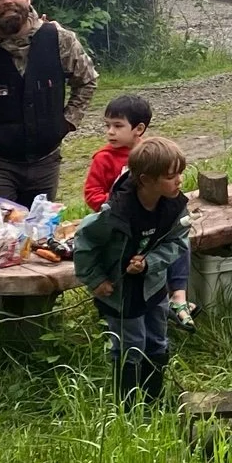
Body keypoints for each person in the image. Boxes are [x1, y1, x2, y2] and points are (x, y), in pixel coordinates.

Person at [0, 0, 98, 208]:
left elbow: (87, 80)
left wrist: (66, 122)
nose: (7, 1)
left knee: (38, 228)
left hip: (46, 162)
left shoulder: (59, 38)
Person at [73, 134, 190, 406]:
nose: (179, 181)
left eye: (180, 173)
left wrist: (151, 262)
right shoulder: (115, 213)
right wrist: (96, 280)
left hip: (154, 287)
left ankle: (153, 400)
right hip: (121, 292)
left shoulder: (174, 206)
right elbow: (85, 241)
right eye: (171, 176)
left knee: (157, 341)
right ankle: (127, 407)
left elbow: (178, 242)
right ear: (146, 180)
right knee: (131, 345)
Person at [84, 93, 195, 327]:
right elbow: (91, 194)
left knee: (179, 237)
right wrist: (119, 204)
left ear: (139, 129)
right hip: (121, 223)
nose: (110, 132)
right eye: (107, 126)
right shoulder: (103, 159)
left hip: (153, 220)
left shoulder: (154, 154)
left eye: (117, 126)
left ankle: (178, 295)